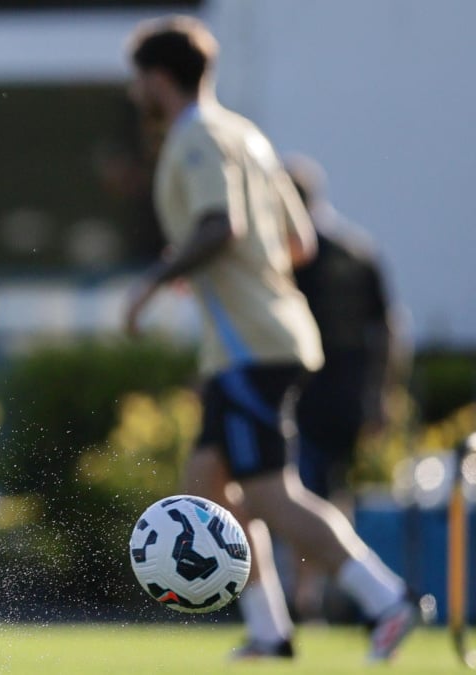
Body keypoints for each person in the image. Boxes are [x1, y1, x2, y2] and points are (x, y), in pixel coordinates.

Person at [120, 15, 416, 662]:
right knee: (205, 484)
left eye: (137, 77)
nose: (134, 90)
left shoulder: (193, 137)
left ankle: (387, 599)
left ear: (159, 78)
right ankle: (269, 630)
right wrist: (221, 268)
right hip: (258, 337)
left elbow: (219, 225)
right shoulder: (245, 134)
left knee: (268, 494)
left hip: (252, 343)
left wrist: (154, 279)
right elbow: (298, 242)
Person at [282, 153, 404, 622]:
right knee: (331, 494)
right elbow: (389, 329)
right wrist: (381, 393)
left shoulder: (297, 253)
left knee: (301, 496)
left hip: (306, 392)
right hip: (350, 394)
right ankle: (337, 594)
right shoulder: (359, 249)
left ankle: (313, 598)